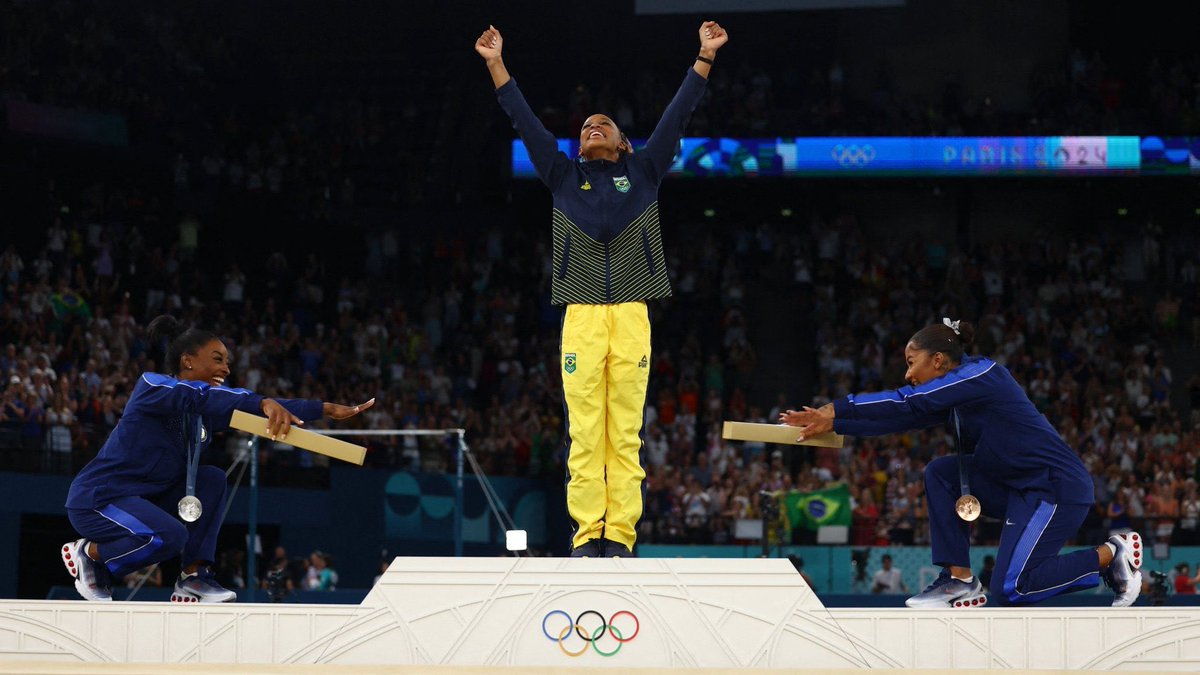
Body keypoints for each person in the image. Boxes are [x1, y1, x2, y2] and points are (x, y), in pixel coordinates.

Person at [475, 21, 729, 558]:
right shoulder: (563, 176)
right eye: (587, 125)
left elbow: (677, 114)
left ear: (623, 143)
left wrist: (704, 57)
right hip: (582, 318)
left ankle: (622, 538)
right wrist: (497, 63)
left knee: (626, 436)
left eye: (604, 124)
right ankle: (588, 536)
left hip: (632, 315)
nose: (593, 127)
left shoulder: (645, 171)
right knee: (586, 434)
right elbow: (523, 121)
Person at [780, 318, 1143, 608]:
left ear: (938, 360)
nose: (908, 374)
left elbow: (909, 401)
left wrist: (836, 407)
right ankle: (960, 580)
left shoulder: (982, 373)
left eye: (911, 362)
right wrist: (835, 423)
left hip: (1056, 487)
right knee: (941, 473)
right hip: (1017, 488)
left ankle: (1112, 554)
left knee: (1012, 589)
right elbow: (900, 418)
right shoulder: (953, 397)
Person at [60, 315, 373, 602]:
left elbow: (251, 409)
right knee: (169, 535)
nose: (226, 369)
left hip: (147, 499)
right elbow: (205, 396)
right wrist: (263, 401)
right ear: (187, 361)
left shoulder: (204, 415)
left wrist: (324, 409)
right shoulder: (152, 386)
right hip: (99, 499)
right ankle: (92, 554)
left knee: (211, 479)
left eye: (228, 362)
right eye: (218, 359)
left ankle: (193, 577)